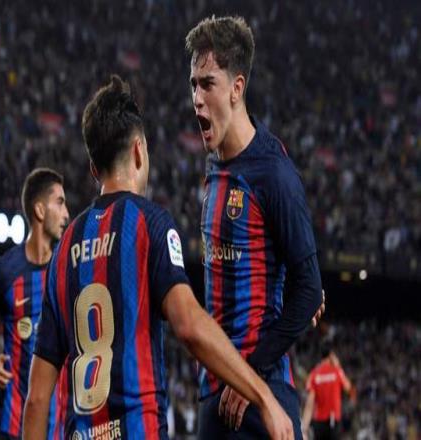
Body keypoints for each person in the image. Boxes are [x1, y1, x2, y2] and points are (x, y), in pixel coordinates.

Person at [23, 75, 294, 440]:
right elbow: (189, 325)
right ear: (139, 151)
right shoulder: (148, 223)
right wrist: (264, 395)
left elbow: (37, 399)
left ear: (93, 169)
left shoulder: (62, 250)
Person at [185, 16, 324, 439]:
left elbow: (309, 290)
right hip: (214, 395)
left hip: (261, 395)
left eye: (207, 84)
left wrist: (250, 374)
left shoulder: (274, 172)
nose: (196, 99)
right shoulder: (214, 168)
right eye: (193, 85)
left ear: (237, 88)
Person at [0, 168, 69, 439]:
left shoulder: (68, 269)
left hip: (57, 428)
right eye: (59, 203)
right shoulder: (4, 270)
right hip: (12, 425)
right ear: (39, 210)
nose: (66, 214)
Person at [302, 344, 355, 440]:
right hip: (332, 421)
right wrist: (338, 365)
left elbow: (310, 403)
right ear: (331, 355)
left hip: (318, 422)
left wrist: (304, 428)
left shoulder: (314, 374)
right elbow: (348, 388)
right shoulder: (337, 371)